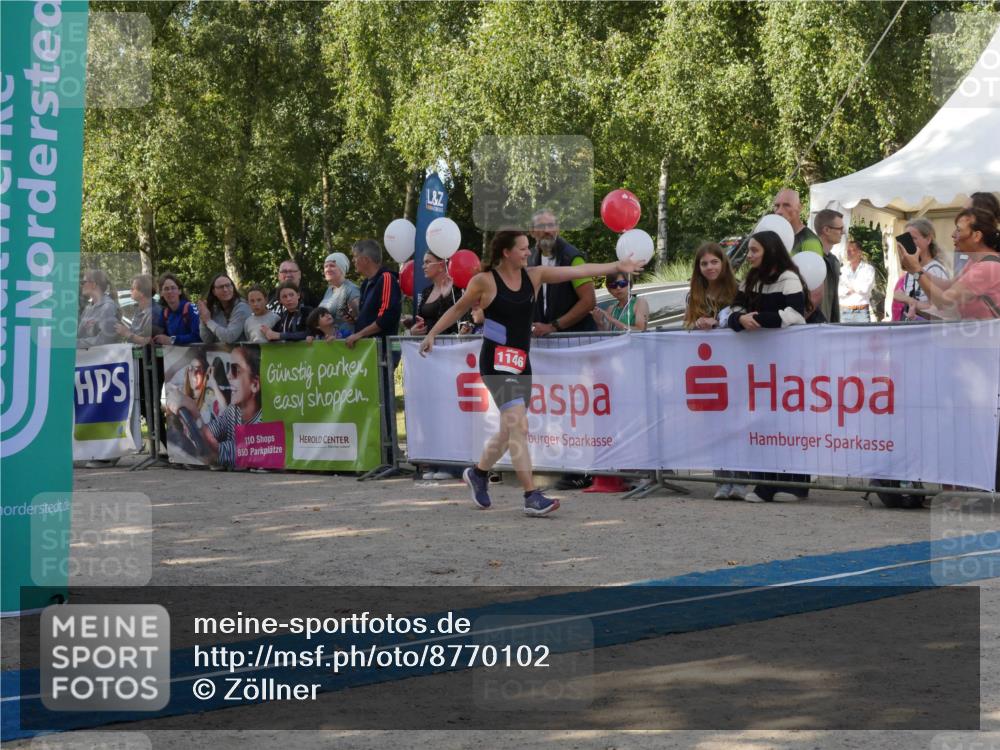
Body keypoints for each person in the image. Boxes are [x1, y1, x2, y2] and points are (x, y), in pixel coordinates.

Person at [418, 229, 646, 517]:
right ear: (506, 252)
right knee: (519, 427)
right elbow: (457, 309)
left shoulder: (535, 275)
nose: (529, 252)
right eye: (524, 248)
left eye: (528, 248)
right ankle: (530, 495)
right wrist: (433, 335)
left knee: (507, 431)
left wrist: (616, 266)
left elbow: (581, 270)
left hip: (521, 362)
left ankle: (477, 473)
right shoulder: (484, 281)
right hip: (495, 364)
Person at [727, 230, 812, 504]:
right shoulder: (750, 280)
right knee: (761, 421)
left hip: (787, 362)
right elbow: (732, 310)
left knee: (789, 422)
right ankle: (765, 482)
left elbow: (795, 315)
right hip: (759, 364)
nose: (749, 255)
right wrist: (740, 320)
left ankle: (796, 485)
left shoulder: (789, 279)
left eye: (754, 250)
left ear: (770, 252)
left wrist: (759, 319)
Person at [898, 208, 1000, 320]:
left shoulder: (986, 267)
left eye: (958, 230)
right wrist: (915, 269)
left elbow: (944, 304)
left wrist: (916, 271)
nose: (953, 234)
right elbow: (949, 286)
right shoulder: (975, 262)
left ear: (976, 236)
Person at [181, 345, 262, 468]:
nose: (228, 376)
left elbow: (224, 452)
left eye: (235, 370)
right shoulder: (233, 410)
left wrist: (193, 413)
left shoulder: (265, 420)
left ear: (255, 384)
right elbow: (211, 433)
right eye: (228, 368)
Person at [529, 208, 597, 335]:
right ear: (532, 231)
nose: (547, 231)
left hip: (575, 340)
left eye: (551, 225)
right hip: (542, 343)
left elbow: (589, 301)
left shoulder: (572, 257)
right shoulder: (528, 259)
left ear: (558, 229)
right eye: (542, 226)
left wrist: (553, 327)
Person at [345, 239, 402, 350]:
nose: (353, 260)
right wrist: (356, 320)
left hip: (382, 353)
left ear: (366, 259)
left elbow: (386, 317)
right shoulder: (365, 283)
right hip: (367, 352)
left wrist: (360, 334)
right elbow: (372, 318)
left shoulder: (387, 278)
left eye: (355, 256)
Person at [893, 218, 949, 321]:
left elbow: (939, 308)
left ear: (928, 240)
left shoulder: (935, 269)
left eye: (913, 238)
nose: (908, 242)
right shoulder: (910, 271)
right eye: (906, 238)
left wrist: (907, 299)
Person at [683, 242, 738, 331]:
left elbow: (746, 323)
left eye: (714, 262)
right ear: (699, 268)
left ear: (723, 263)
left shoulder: (738, 290)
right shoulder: (692, 295)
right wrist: (696, 323)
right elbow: (686, 324)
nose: (709, 267)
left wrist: (717, 323)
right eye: (704, 264)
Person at [408, 250, 463, 336]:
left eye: (428, 262)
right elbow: (421, 321)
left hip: (446, 346)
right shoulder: (426, 291)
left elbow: (454, 324)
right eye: (424, 262)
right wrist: (412, 331)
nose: (423, 266)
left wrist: (445, 298)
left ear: (441, 265)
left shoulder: (455, 291)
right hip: (426, 346)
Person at [199, 273, 251, 344]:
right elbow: (207, 339)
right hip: (222, 353)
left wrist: (208, 321)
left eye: (228, 285)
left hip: (244, 353)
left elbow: (229, 337)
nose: (225, 289)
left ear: (233, 287)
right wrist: (203, 319)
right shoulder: (215, 309)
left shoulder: (242, 307)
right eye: (221, 287)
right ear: (214, 292)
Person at [318, 252, 360, 337]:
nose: (328, 269)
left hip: (346, 342)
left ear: (342, 269)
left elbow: (359, 317)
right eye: (326, 266)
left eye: (332, 266)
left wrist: (354, 317)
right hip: (330, 342)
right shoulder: (329, 289)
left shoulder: (351, 289)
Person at [813, 209, 844, 322]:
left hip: (828, 326)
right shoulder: (811, 259)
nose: (843, 232)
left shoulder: (834, 261)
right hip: (813, 327)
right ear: (826, 230)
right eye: (840, 229)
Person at [153, 273, 201, 345]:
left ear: (179, 291)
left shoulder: (190, 308)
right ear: (161, 293)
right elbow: (161, 336)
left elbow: (198, 336)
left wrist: (172, 340)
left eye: (173, 288)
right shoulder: (165, 312)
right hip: (174, 354)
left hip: (194, 354)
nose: (170, 291)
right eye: (166, 289)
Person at [77, 269, 121, 348]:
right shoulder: (88, 308)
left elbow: (105, 341)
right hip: (85, 358)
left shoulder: (108, 307)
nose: (81, 285)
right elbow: (80, 335)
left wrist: (75, 344)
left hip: (101, 359)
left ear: (93, 284)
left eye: (83, 282)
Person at [115, 274, 161, 346]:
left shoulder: (153, 313)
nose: (130, 290)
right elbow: (137, 333)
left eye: (133, 288)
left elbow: (151, 342)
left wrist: (127, 333)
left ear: (142, 292)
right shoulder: (140, 309)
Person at [838, 240, 877, 322]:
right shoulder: (842, 270)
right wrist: (855, 287)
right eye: (847, 251)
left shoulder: (868, 269)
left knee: (863, 334)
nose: (848, 253)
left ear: (859, 252)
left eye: (851, 250)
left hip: (861, 309)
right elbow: (838, 291)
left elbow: (865, 289)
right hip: (844, 309)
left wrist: (849, 286)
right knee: (845, 334)